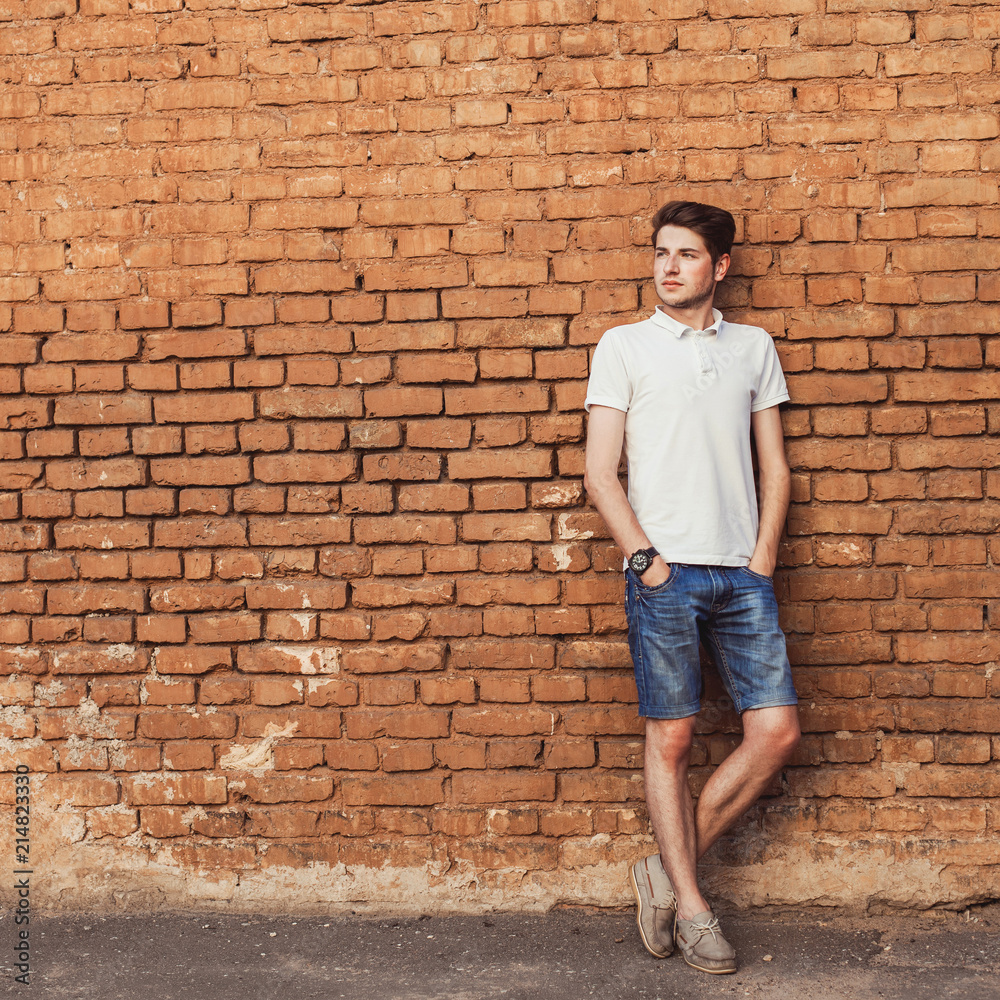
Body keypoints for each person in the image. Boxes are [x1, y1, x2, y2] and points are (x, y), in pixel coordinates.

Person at [583, 201, 801, 975]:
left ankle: (664, 873)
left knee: (775, 733)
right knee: (671, 740)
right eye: (660, 253)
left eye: (685, 255)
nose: (668, 267)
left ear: (721, 266)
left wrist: (762, 560)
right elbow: (599, 471)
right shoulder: (624, 346)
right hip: (663, 571)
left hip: (742, 573)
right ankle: (696, 906)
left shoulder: (753, 347)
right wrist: (647, 561)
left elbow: (774, 466)